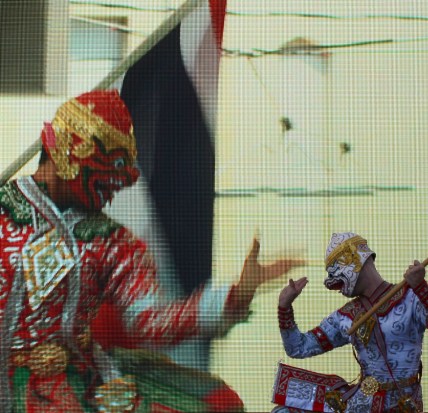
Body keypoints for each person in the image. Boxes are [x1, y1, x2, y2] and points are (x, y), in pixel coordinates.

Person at [0, 89, 303, 412]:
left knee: (218, 404)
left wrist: (237, 294)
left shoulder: (111, 242)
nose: (116, 189)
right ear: (69, 157)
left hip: (74, 382)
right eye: (109, 174)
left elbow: (149, 320)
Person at [272, 232, 428, 413]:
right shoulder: (345, 316)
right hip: (362, 404)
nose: (336, 288)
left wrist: (422, 287)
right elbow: (298, 348)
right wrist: (284, 308)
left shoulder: (410, 298)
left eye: (337, 281)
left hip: (402, 404)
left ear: (353, 263)